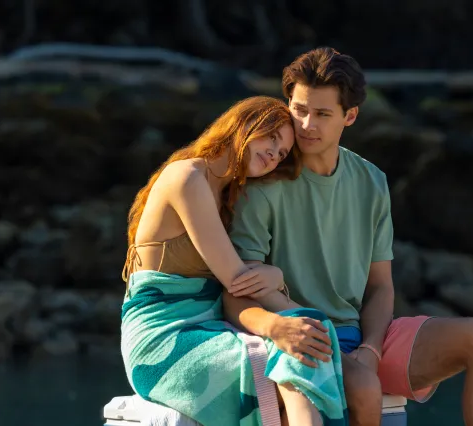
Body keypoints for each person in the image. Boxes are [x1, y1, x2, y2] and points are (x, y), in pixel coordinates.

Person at [227, 48, 473, 426]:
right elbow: (239, 293)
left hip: (365, 338)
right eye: (299, 110)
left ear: (350, 116)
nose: (307, 125)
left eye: (323, 114)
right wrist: (282, 330)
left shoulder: (371, 180)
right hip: (306, 339)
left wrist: (371, 350)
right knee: (362, 385)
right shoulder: (264, 183)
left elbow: (380, 286)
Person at [120, 95, 349, 426]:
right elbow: (238, 281)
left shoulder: (227, 197)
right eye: (271, 138)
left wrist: (308, 320)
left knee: (306, 343)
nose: (274, 154)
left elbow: (246, 282)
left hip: (213, 330)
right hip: (164, 340)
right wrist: (277, 279)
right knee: (295, 350)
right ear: (243, 124)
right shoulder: (187, 177)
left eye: (282, 153)